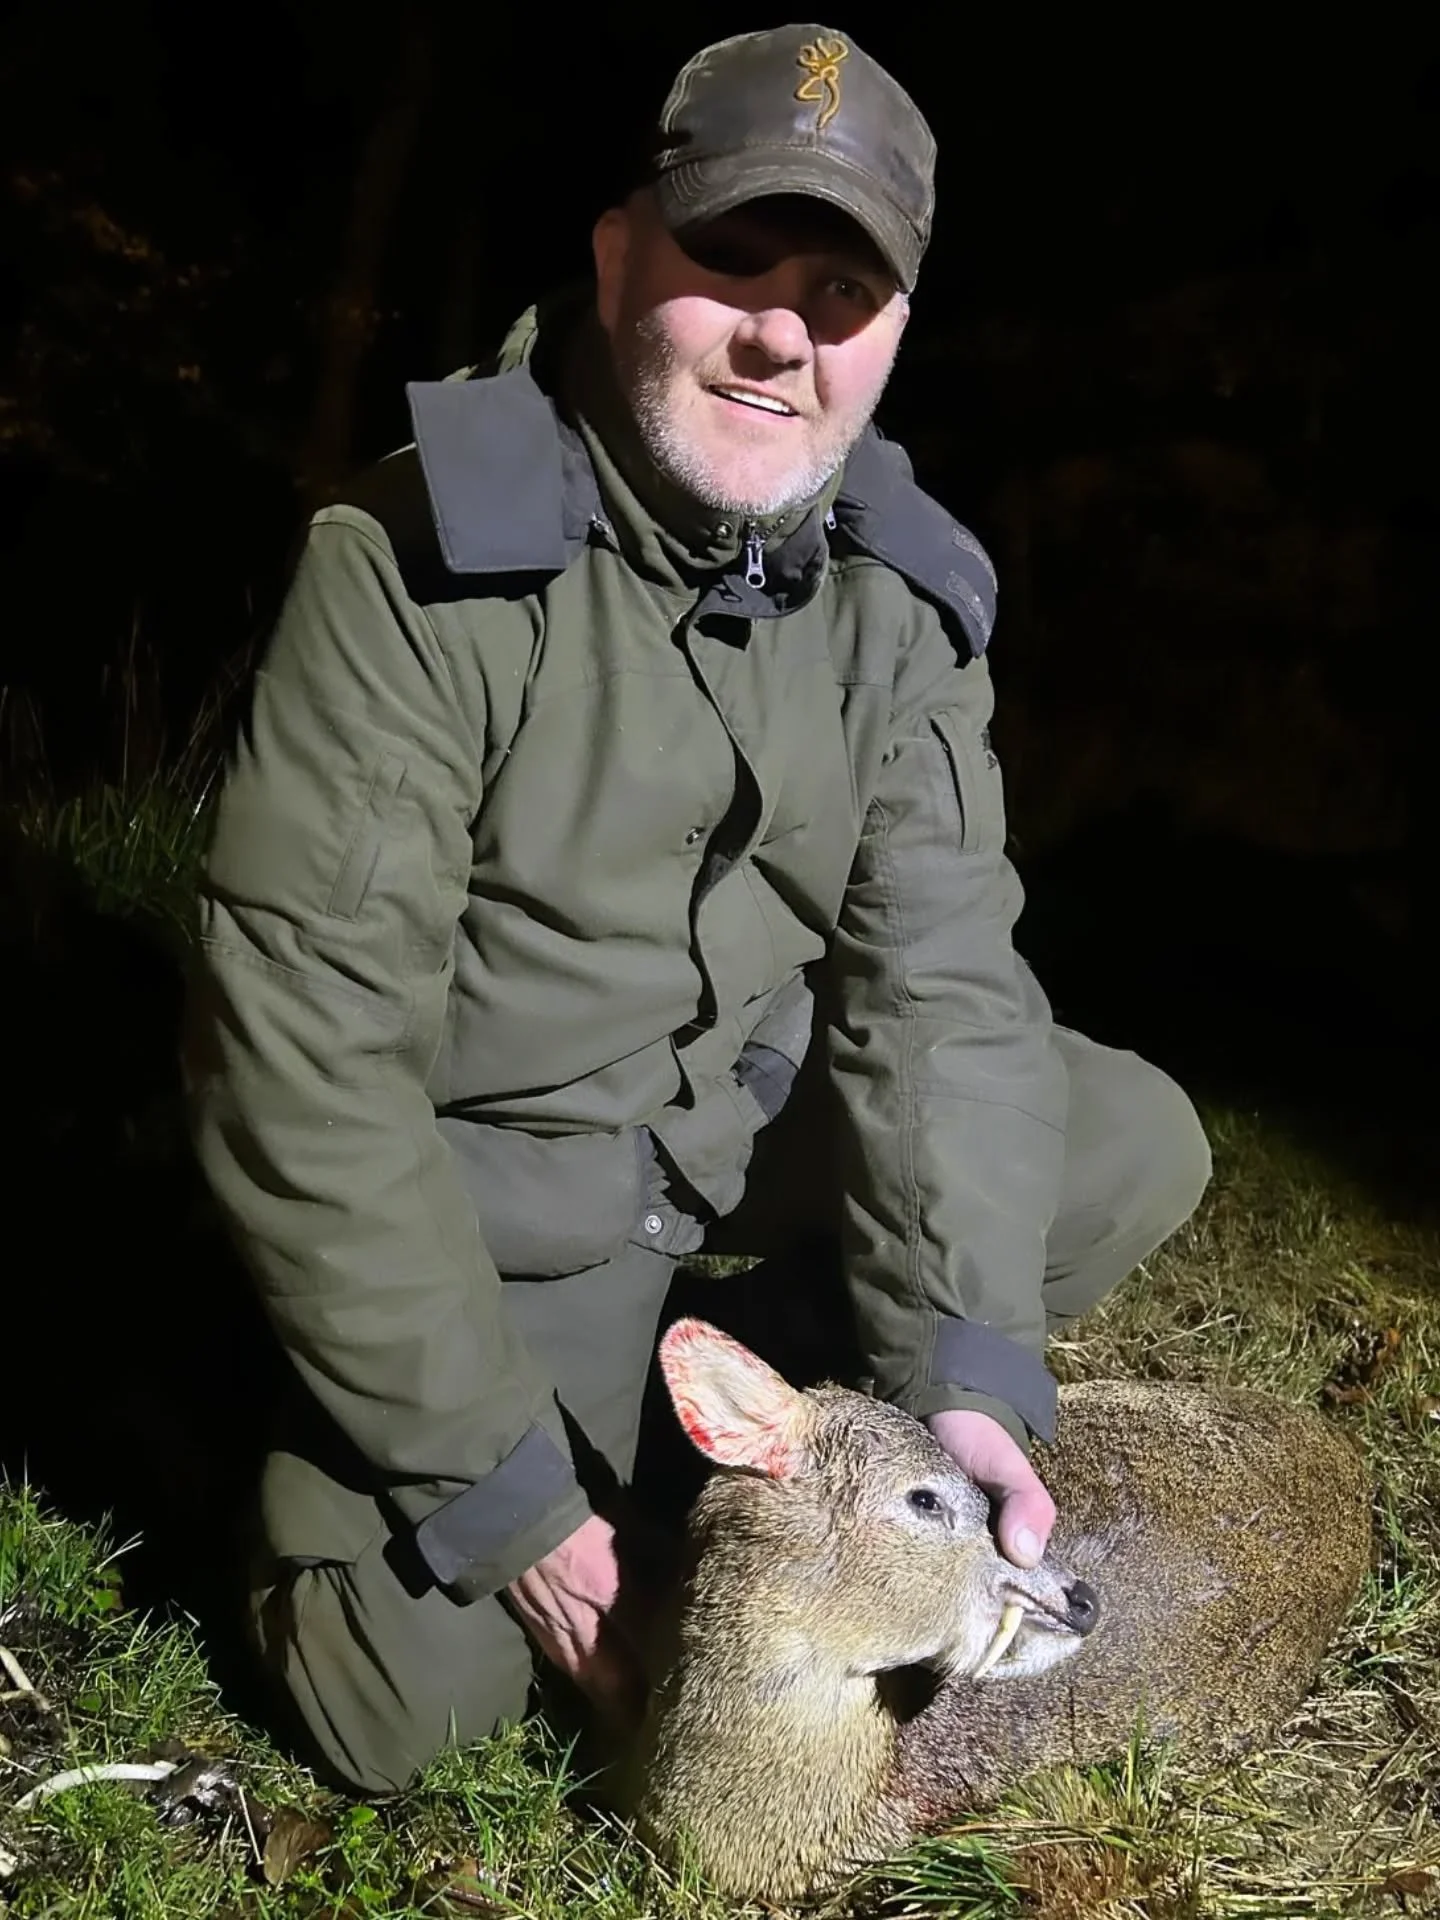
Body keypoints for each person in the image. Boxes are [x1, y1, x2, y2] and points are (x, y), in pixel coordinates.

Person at [183, 22, 1211, 1795]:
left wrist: (966, 1391)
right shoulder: (414, 566)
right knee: (407, 1708)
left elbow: (946, 1000)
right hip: (515, 1197)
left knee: (1121, 1142)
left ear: (892, 332)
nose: (779, 336)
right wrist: (521, 1510)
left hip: (730, 1132)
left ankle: (760, 1418)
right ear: (614, 259)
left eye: (841, 292)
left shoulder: (902, 596)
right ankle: (332, 1387)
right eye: (730, 259)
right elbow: (302, 1073)